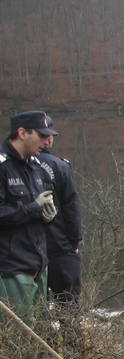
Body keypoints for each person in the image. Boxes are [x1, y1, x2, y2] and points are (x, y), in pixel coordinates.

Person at [0, 111, 58, 322]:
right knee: (21, 338)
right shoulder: (2, 166)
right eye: (41, 135)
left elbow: (37, 212)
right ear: (22, 133)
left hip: (38, 264)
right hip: (12, 268)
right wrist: (33, 208)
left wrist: (47, 216)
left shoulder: (35, 167)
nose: (47, 141)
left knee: (41, 335)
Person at [36, 114, 83, 308]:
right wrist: (74, 242)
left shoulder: (13, 166)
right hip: (60, 247)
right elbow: (72, 207)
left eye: (51, 135)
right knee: (68, 305)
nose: (49, 139)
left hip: (29, 250)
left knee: (36, 308)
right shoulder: (60, 166)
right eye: (44, 135)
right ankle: (67, 338)